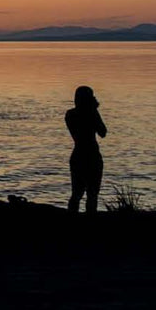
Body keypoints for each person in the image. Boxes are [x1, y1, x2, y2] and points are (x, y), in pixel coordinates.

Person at [66, 86, 108, 214]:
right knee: (92, 195)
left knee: (76, 195)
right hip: (92, 156)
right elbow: (103, 132)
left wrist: (92, 110)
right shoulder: (91, 113)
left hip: (78, 156)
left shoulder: (70, 114)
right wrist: (94, 110)